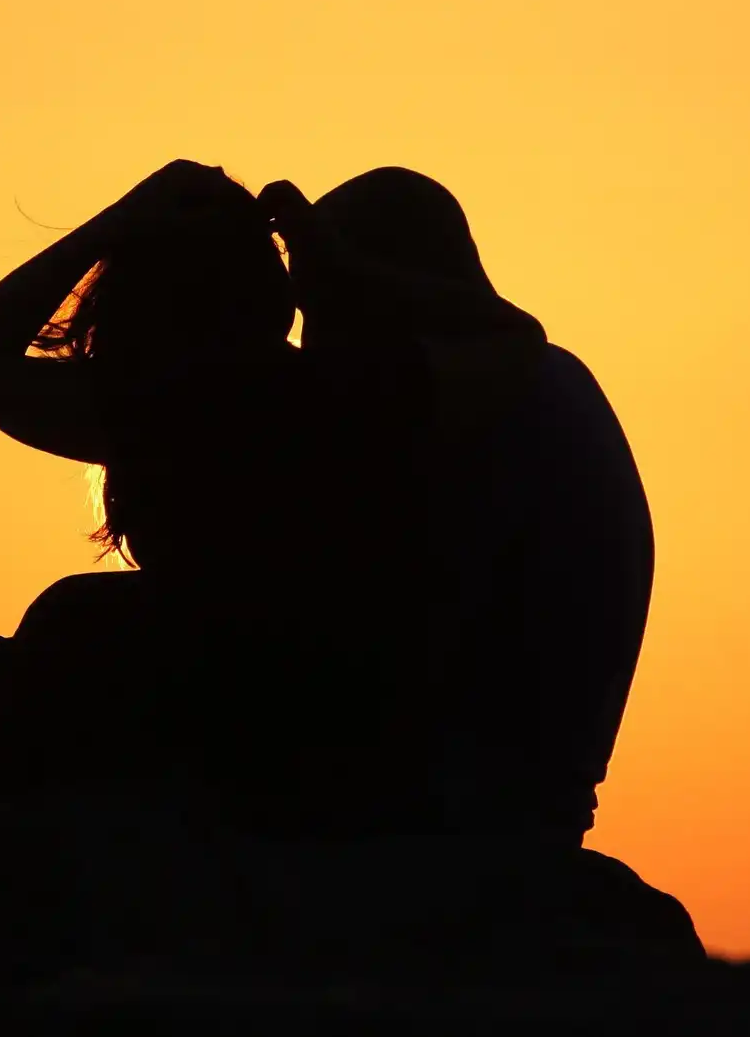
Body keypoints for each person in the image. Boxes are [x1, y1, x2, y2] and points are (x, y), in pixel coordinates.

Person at [0, 160, 455, 837]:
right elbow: (506, 337)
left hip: (263, 730)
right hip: (337, 722)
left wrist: (116, 223)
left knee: (68, 627)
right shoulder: (347, 391)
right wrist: (327, 264)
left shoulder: (177, 408)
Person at [263, 167, 655, 849]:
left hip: (455, 815)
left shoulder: (472, 396)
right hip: (507, 801)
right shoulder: (548, 376)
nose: (312, 335)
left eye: (324, 302)